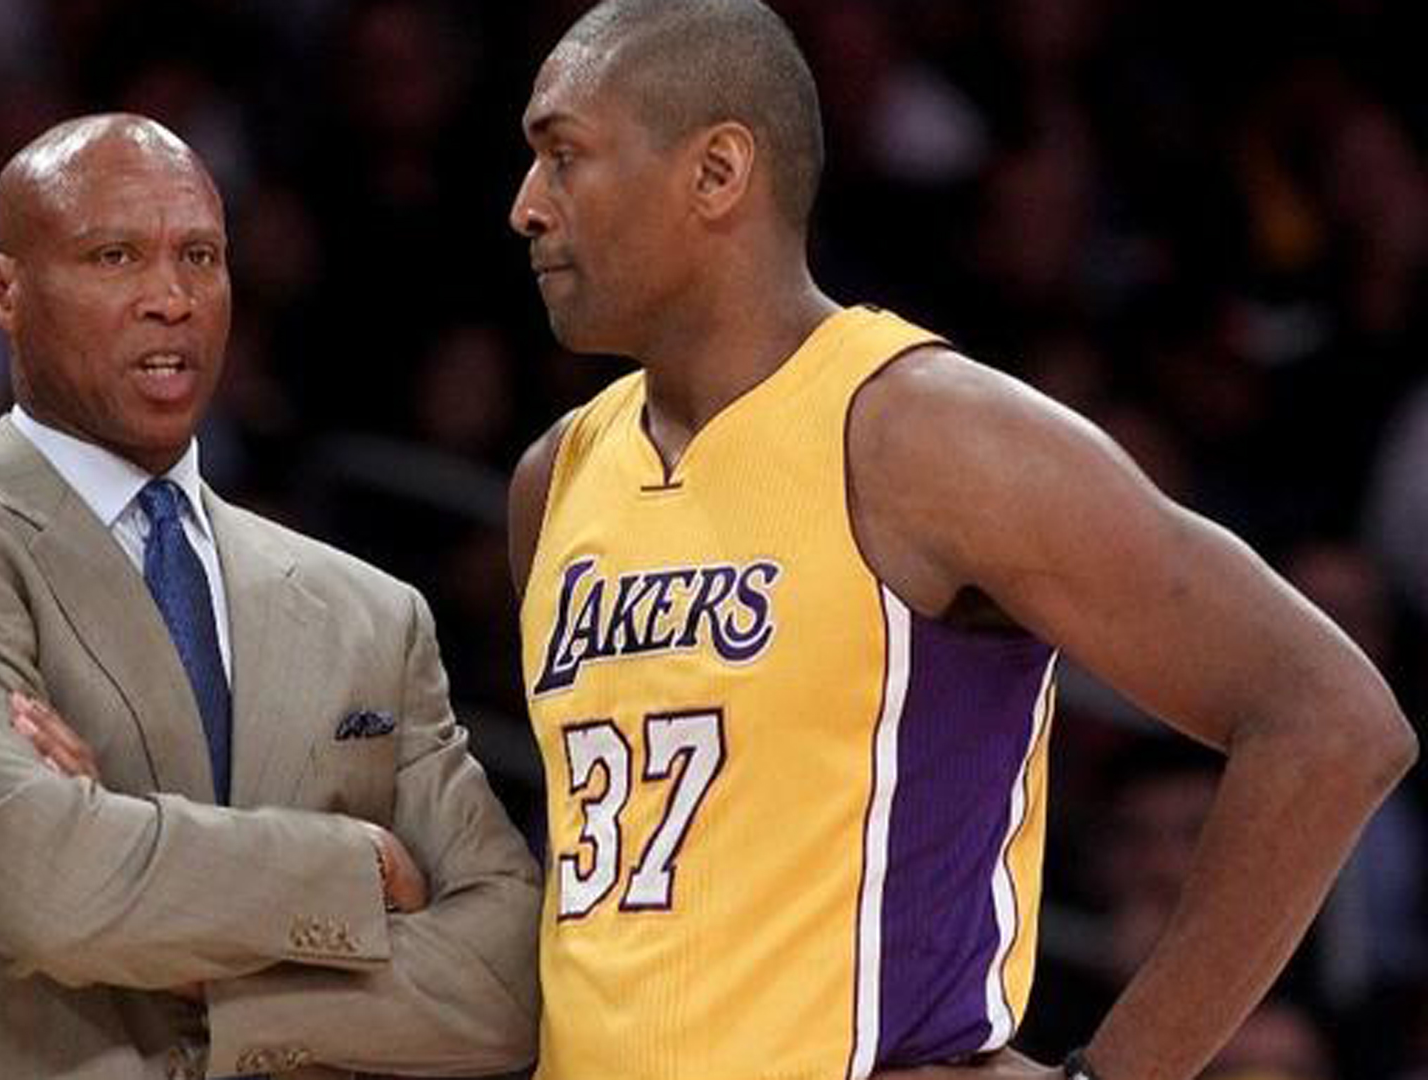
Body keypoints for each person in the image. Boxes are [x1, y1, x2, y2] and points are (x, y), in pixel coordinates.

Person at [501, 3, 1417, 1079]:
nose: (526, 208)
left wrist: (1106, 1077)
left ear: (716, 173)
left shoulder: (924, 433)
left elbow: (1333, 723)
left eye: (565, 158)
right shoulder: (551, 480)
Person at [0, 113, 541, 1080]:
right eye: (114, 256)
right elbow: (46, 882)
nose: (171, 298)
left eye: (200, 256)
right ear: (2, 291)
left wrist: (215, 978)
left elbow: (509, 981)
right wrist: (358, 870)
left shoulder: (371, 609)